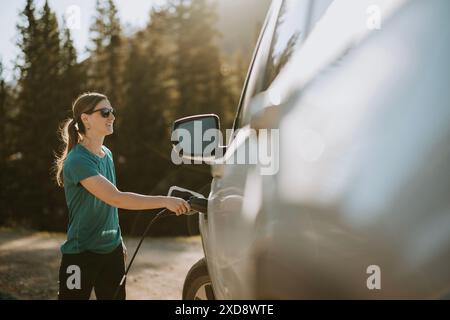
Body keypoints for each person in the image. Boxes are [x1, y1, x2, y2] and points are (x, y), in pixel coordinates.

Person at [53, 92, 190, 300]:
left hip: (112, 252)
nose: (112, 117)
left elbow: (110, 206)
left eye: (112, 111)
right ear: (85, 119)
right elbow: (116, 198)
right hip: (81, 255)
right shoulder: (77, 161)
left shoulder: (106, 154)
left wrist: (118, 242)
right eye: (105, 112)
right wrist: (165, 200)